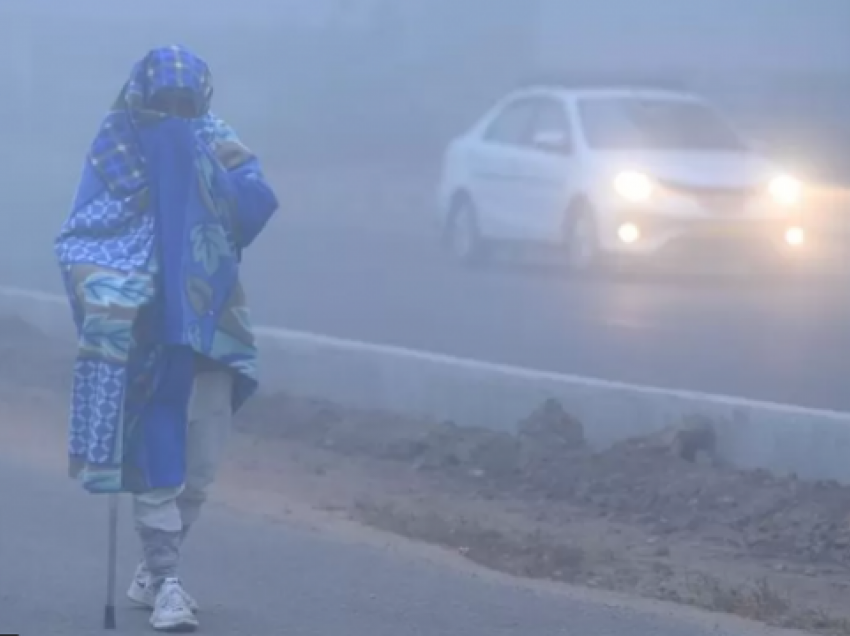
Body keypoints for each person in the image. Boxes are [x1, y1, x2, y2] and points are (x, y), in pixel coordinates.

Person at [54, 45, 278, 632]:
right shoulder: (116, 152)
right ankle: (168, 579)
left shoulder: (215, 140)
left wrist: (199, 169)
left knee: (200, 463)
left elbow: (254, 206)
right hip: (148, 331)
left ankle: (153, 570)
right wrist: (110, 293)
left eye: (185, 104)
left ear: (200, 101)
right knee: (160, 453)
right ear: (140, 102)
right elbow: (81, 238)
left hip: (211, 323)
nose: (173, 116)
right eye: (163, 106)